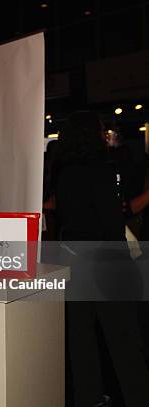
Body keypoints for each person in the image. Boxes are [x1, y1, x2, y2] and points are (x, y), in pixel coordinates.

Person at [54, 111, 149, 407]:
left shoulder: (63, 173)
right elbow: (111, 226)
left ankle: (89, 397)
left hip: (76, 264)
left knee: (82, 340)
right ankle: (138, 398)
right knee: (123, 342)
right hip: (107, 264)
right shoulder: (103, 170)